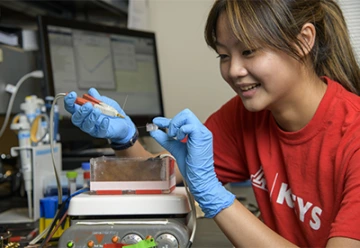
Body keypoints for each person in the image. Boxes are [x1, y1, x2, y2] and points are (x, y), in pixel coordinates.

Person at [64, 0, 360, 247]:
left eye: (248, 51)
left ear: (303, 41)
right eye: (223, 55)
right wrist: (125, 139)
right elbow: (166, 176)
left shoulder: (353, 135)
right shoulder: (245, 114)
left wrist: (215, 196)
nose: (234, 70)